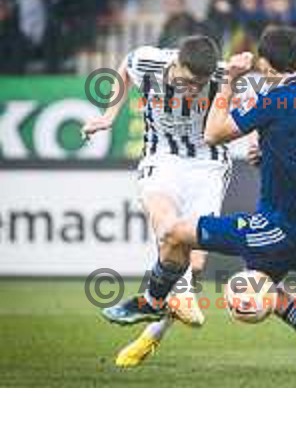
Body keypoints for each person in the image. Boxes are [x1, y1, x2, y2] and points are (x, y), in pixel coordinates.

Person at [101, 26, 296, 380]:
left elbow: (213, 134)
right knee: (262, 286)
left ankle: (152, 301)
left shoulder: (274, 100)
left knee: (176, 234)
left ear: (265, 66)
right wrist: (266, 151)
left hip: (277, 225)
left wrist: (228, 83)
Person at [82, 35, 231, 367]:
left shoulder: (223, 75)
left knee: (194, 260)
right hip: (161, 157)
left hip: (208, 163)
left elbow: (253, 105)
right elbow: (123, 69)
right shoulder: (147, 61)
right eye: (188, 82)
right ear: (176, 61)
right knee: (168, 231)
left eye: (200, 84)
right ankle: (177, 296)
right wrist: (108, 116)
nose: (193, 89)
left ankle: (152, 331)